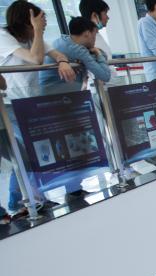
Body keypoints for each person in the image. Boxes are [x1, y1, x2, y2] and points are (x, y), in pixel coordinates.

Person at [1, 1, 76, 214]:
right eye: (41, 20)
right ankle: (25, 201)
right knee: (23, 154)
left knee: (27, 153)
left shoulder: (34, 38)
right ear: (28, 21)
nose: (44, 24)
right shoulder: (4, 37)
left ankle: (27, 200)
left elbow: (57, 54)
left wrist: (62, 61)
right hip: (9, 104)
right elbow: (36, 59)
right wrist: (36, 29)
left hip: (28, 103)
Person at [40, 16, 110, 88]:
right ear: (87, 33)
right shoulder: (78, 50)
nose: (95, 39)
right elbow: (105, 76)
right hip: (58, 90)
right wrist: (98, 53)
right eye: (94, 35)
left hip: (47, 88)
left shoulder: (62, 40)